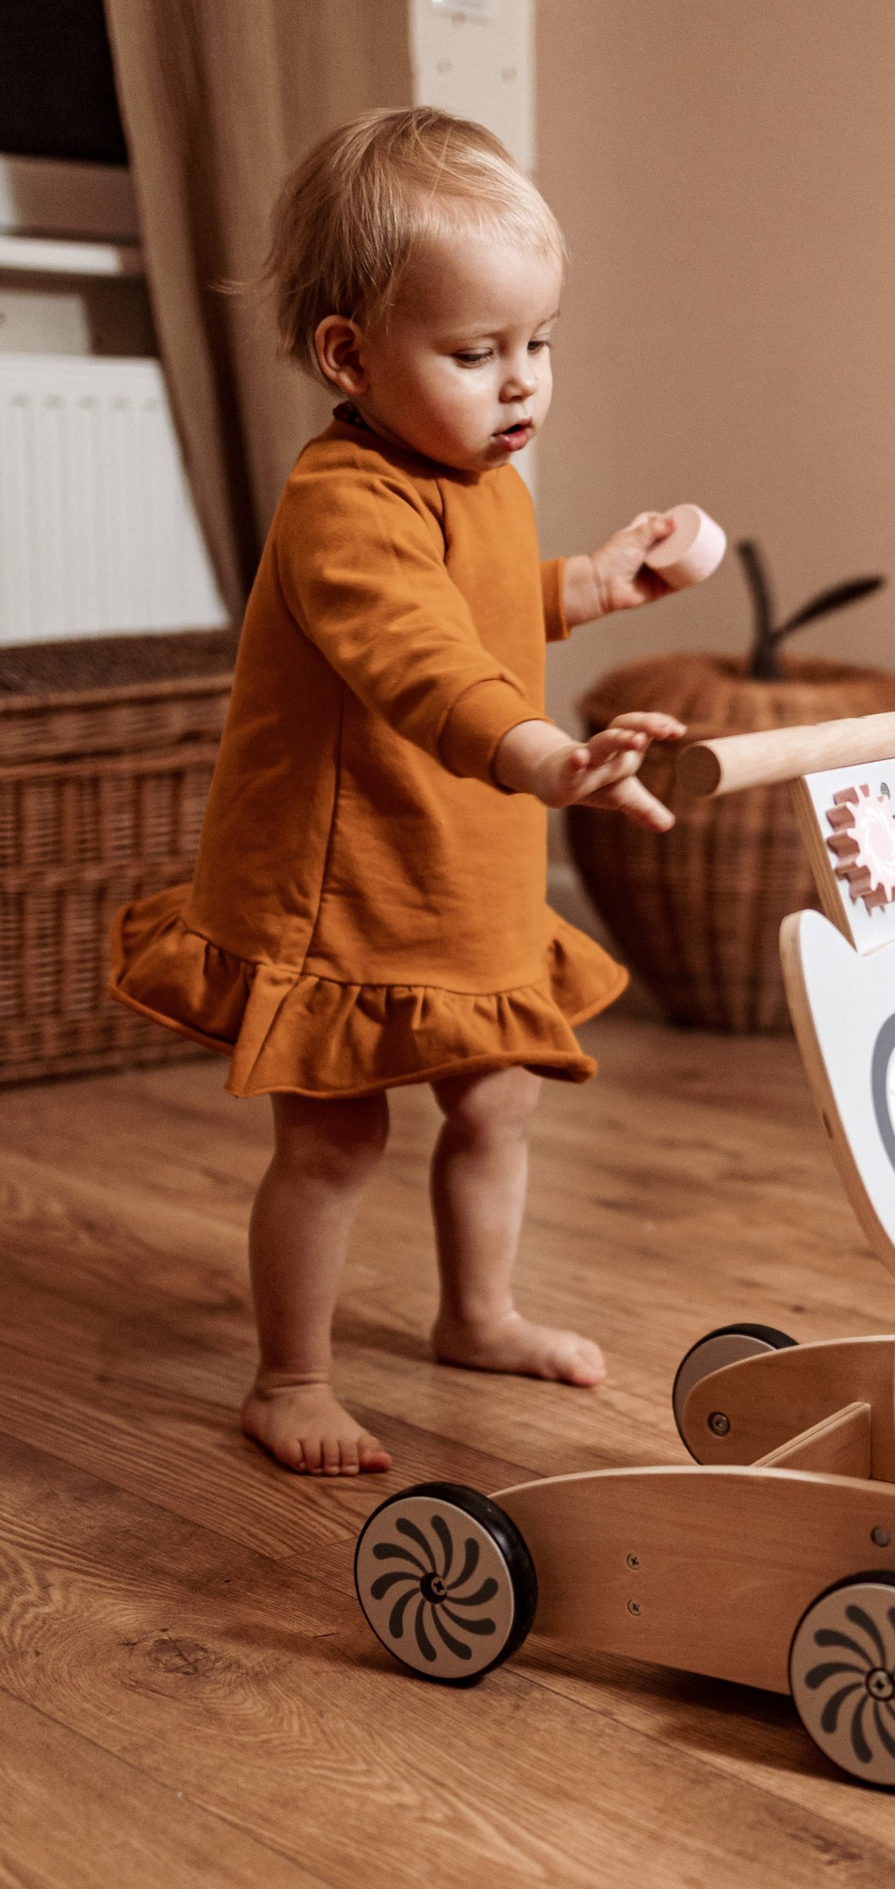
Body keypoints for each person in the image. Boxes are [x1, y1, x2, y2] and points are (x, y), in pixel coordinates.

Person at [110, 107, 689, 1476]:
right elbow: (418, 657)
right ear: (349, 356)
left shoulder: (480, 477)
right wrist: (544, 757)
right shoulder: (341, 501)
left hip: (458, 856)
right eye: (477, 353)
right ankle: (289, 1377)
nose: (522, 385)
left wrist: (588, 584)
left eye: (540, 343)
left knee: (500, 1100)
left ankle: (475, 1312)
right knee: (334, 1134)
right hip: (346, 877)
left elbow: (477, 601)